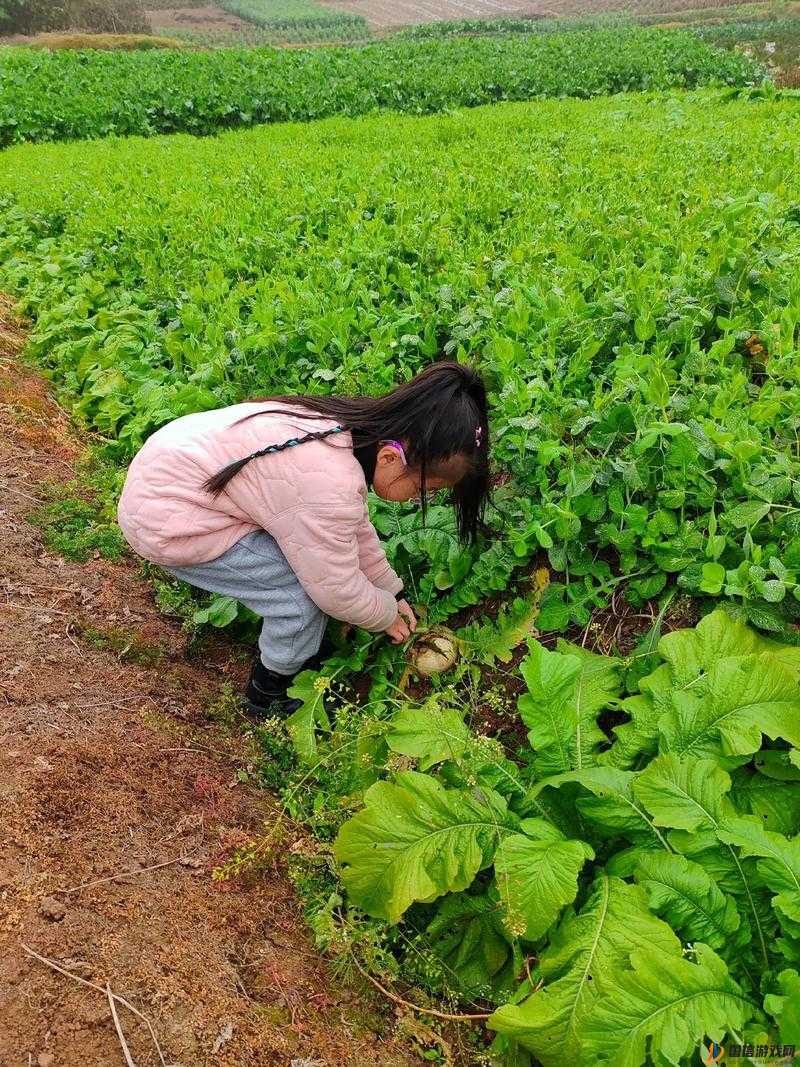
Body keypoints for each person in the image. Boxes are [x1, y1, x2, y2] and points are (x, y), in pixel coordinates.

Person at [117, 361, 490, 717]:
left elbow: (353, 529)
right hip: (168, 520)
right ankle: (269, 694)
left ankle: (288, 656)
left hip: (172, 477)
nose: (419, 498)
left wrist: (391, 591)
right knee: (299, 597)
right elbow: (336, 590)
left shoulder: (344, 433)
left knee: (312, 564)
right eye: (424, 488)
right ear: (392, 460)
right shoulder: (329, 484)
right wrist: (385, 617)